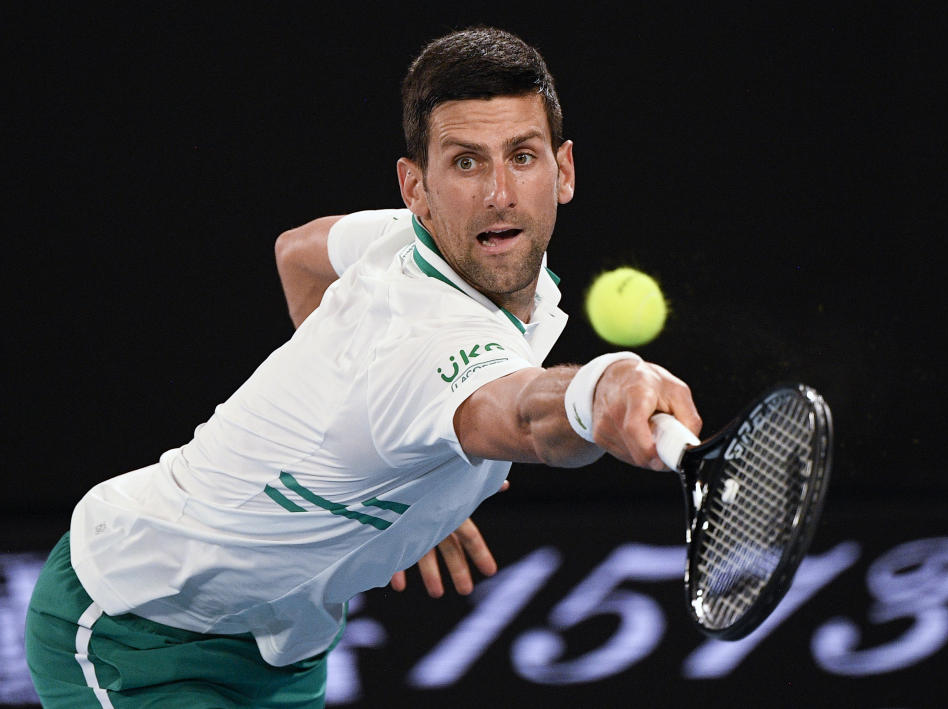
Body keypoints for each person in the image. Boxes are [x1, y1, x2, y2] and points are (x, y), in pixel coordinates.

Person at [25, 26, 701, 707]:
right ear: (416, 186)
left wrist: (408, 469)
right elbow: (529, 418)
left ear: (564, 171)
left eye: (521, 156)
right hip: (133, 625)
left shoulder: (399, 240)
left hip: (282, 648)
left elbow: (298, 251)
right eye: (465, 163)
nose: (499, 191)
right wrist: (603, 384)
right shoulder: (425, 335)